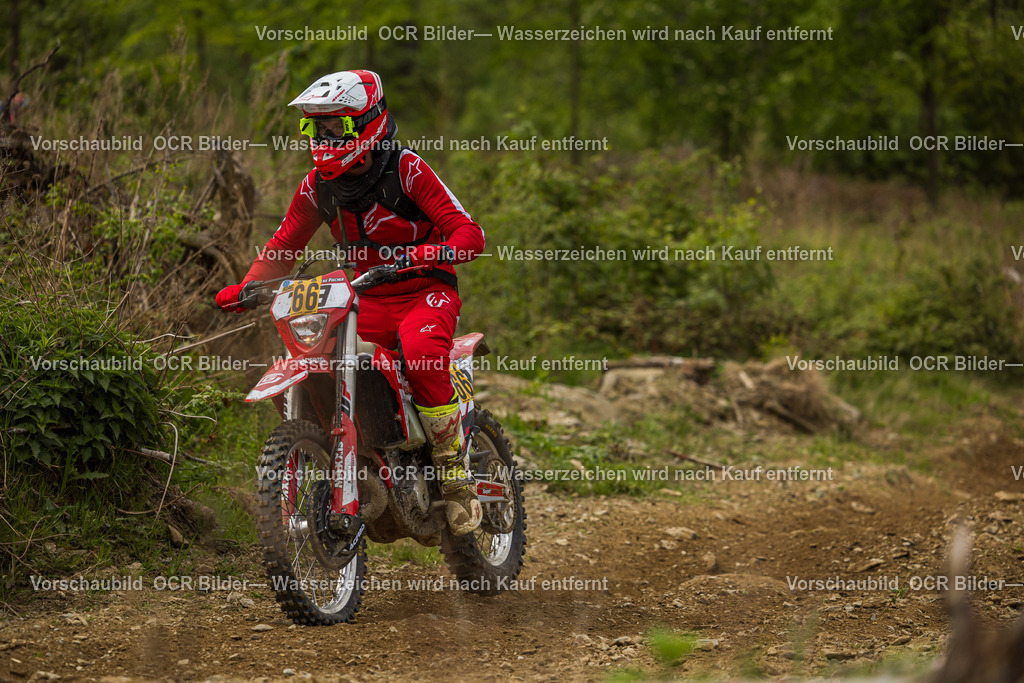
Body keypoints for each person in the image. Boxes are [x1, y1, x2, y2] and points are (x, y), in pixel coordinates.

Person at [215, 70, 484, 535]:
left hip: (424, 289)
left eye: (336, 126)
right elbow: (282, 248)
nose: (325, 136)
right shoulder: (317, 186)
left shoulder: (408, 169)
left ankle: (455, 477)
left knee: (419, 355)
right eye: (317, 128)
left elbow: (469, 233)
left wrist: (430, 252)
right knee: (318, 351)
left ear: (368, 123)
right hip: (364, 294)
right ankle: (354, 456)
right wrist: (248, 288)